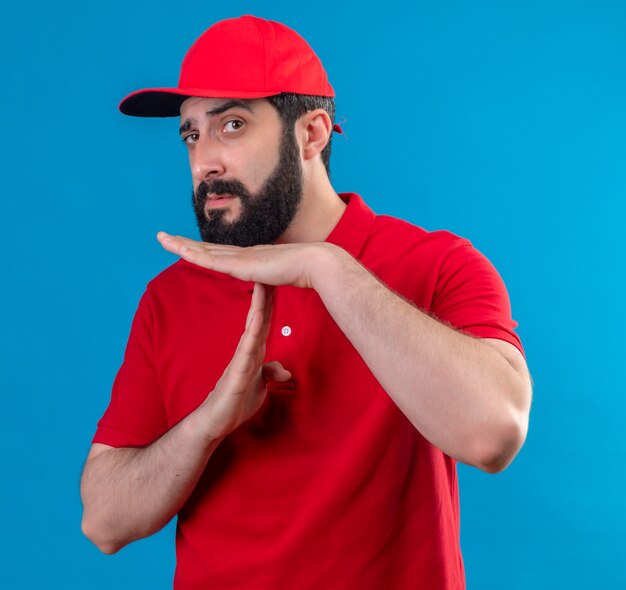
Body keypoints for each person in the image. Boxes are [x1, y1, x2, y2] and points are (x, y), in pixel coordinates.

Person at [80, 14, 532, 590]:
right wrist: (204, 428)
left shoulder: (437, 265)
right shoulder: (171, 297)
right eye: (191, 134)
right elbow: (103, 522)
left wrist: (326, 267)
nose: (204, 161)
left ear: (313, 134)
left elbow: (493, 435)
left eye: (233, 125)